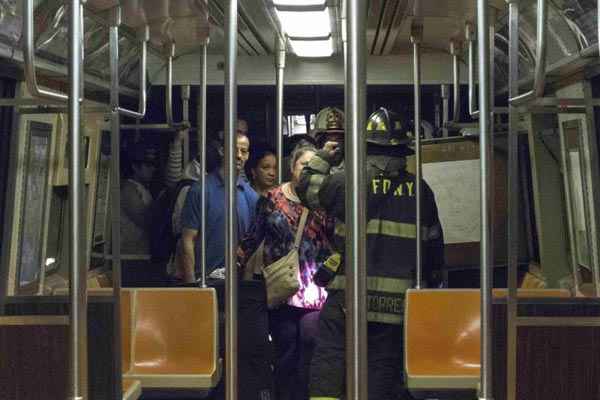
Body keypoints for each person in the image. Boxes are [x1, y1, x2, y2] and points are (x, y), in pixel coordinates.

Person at [296, 108, 445, 400]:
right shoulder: (421, 191)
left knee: (331, 359)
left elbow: (306, 189)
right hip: (397, 302)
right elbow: (433, 251)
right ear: (404, 150)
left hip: (347, 296)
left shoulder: (345, 182)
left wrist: (325, 157)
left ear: (364, 146)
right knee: (381, 368)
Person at [179, 131, 274, 400]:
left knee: (244, 351)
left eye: (244, 151)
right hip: (208, 281)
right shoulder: (201, 190)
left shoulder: (251, 196)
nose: (240, 157)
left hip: (242, 284)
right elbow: (188, 241)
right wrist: (190, 288)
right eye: (235, 150)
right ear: (222, 151)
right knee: (209, 348)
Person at [238, 145, 334, 400]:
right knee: (286, 348)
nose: (308, 171)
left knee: (311, 343)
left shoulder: (326, 199)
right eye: (304, 165)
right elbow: (252, 237)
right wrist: (236, 264)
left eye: (314, 166)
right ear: (292, 168)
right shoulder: (272, 199)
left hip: (317, 289)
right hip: (283, 288)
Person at [310, 107, 345, 172]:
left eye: (337, 116)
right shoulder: (320, 137)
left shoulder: (346, 137)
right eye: (331, 117)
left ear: (340, 119)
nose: (334, 119)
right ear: (327, 120)